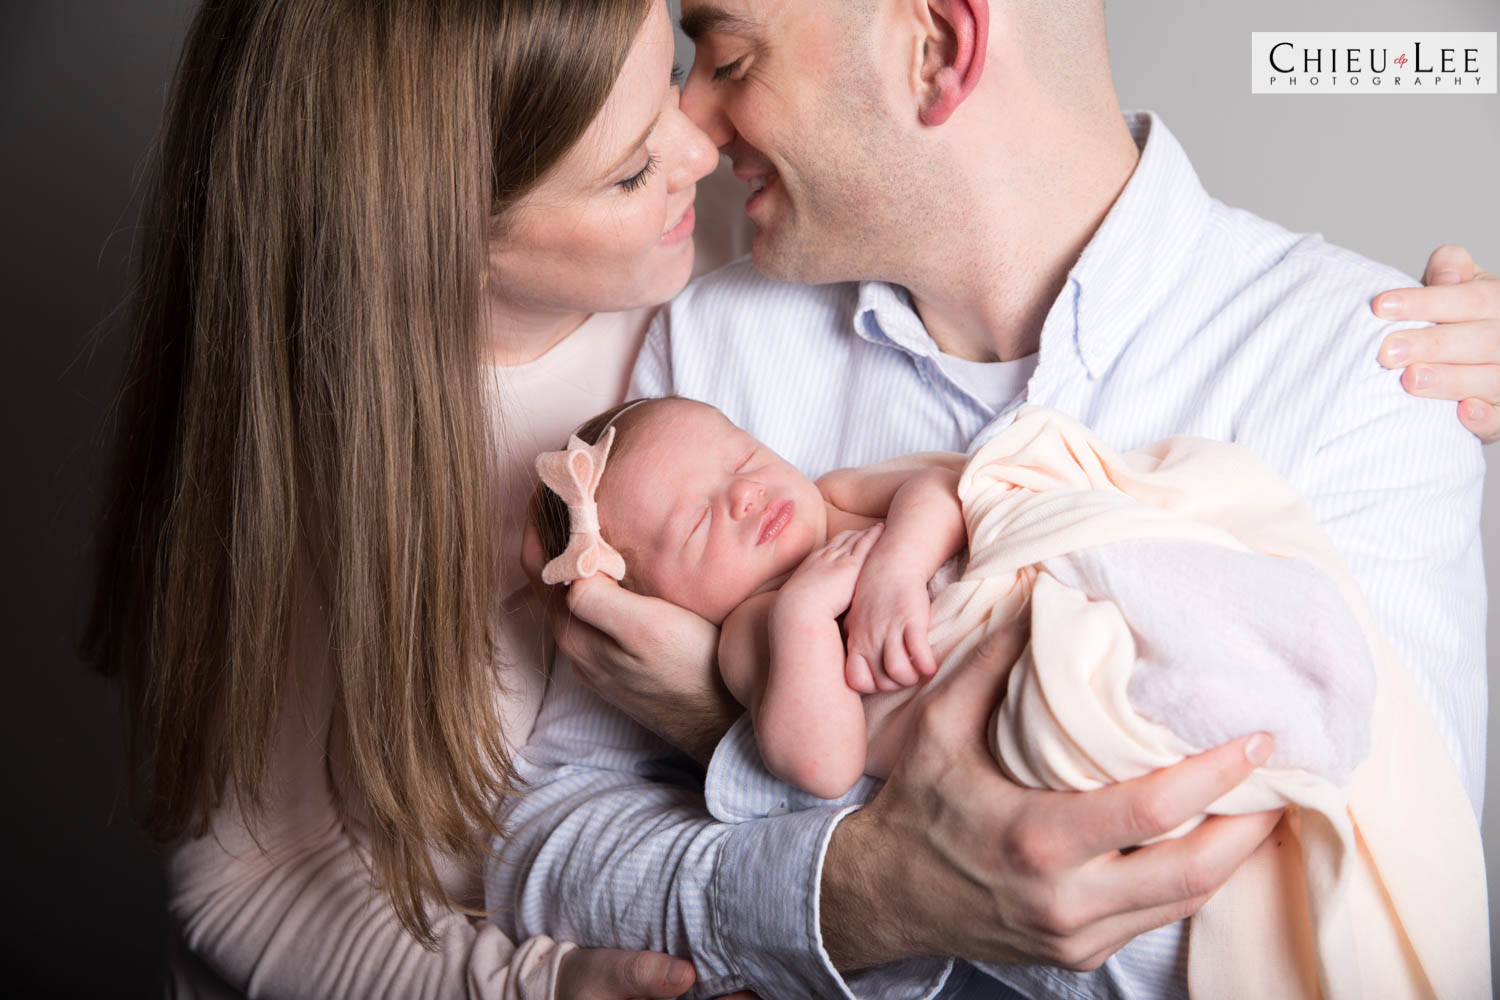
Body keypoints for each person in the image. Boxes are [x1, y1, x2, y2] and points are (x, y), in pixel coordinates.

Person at [487, 1, 1500, 998]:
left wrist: (729, 727)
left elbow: (1374, 933)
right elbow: (540, 853)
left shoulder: (1373, 366)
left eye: (730, 57)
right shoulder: (713, 346)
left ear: (942, 47)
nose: (693, 129)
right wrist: (860, 885)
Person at [84, 0, 740, 996]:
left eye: (673, 76)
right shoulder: (319, 470)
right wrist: (540, 986)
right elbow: (253, 883)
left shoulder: (723, 300)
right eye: (629, 172)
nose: (705, 145)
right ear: (450, 238)